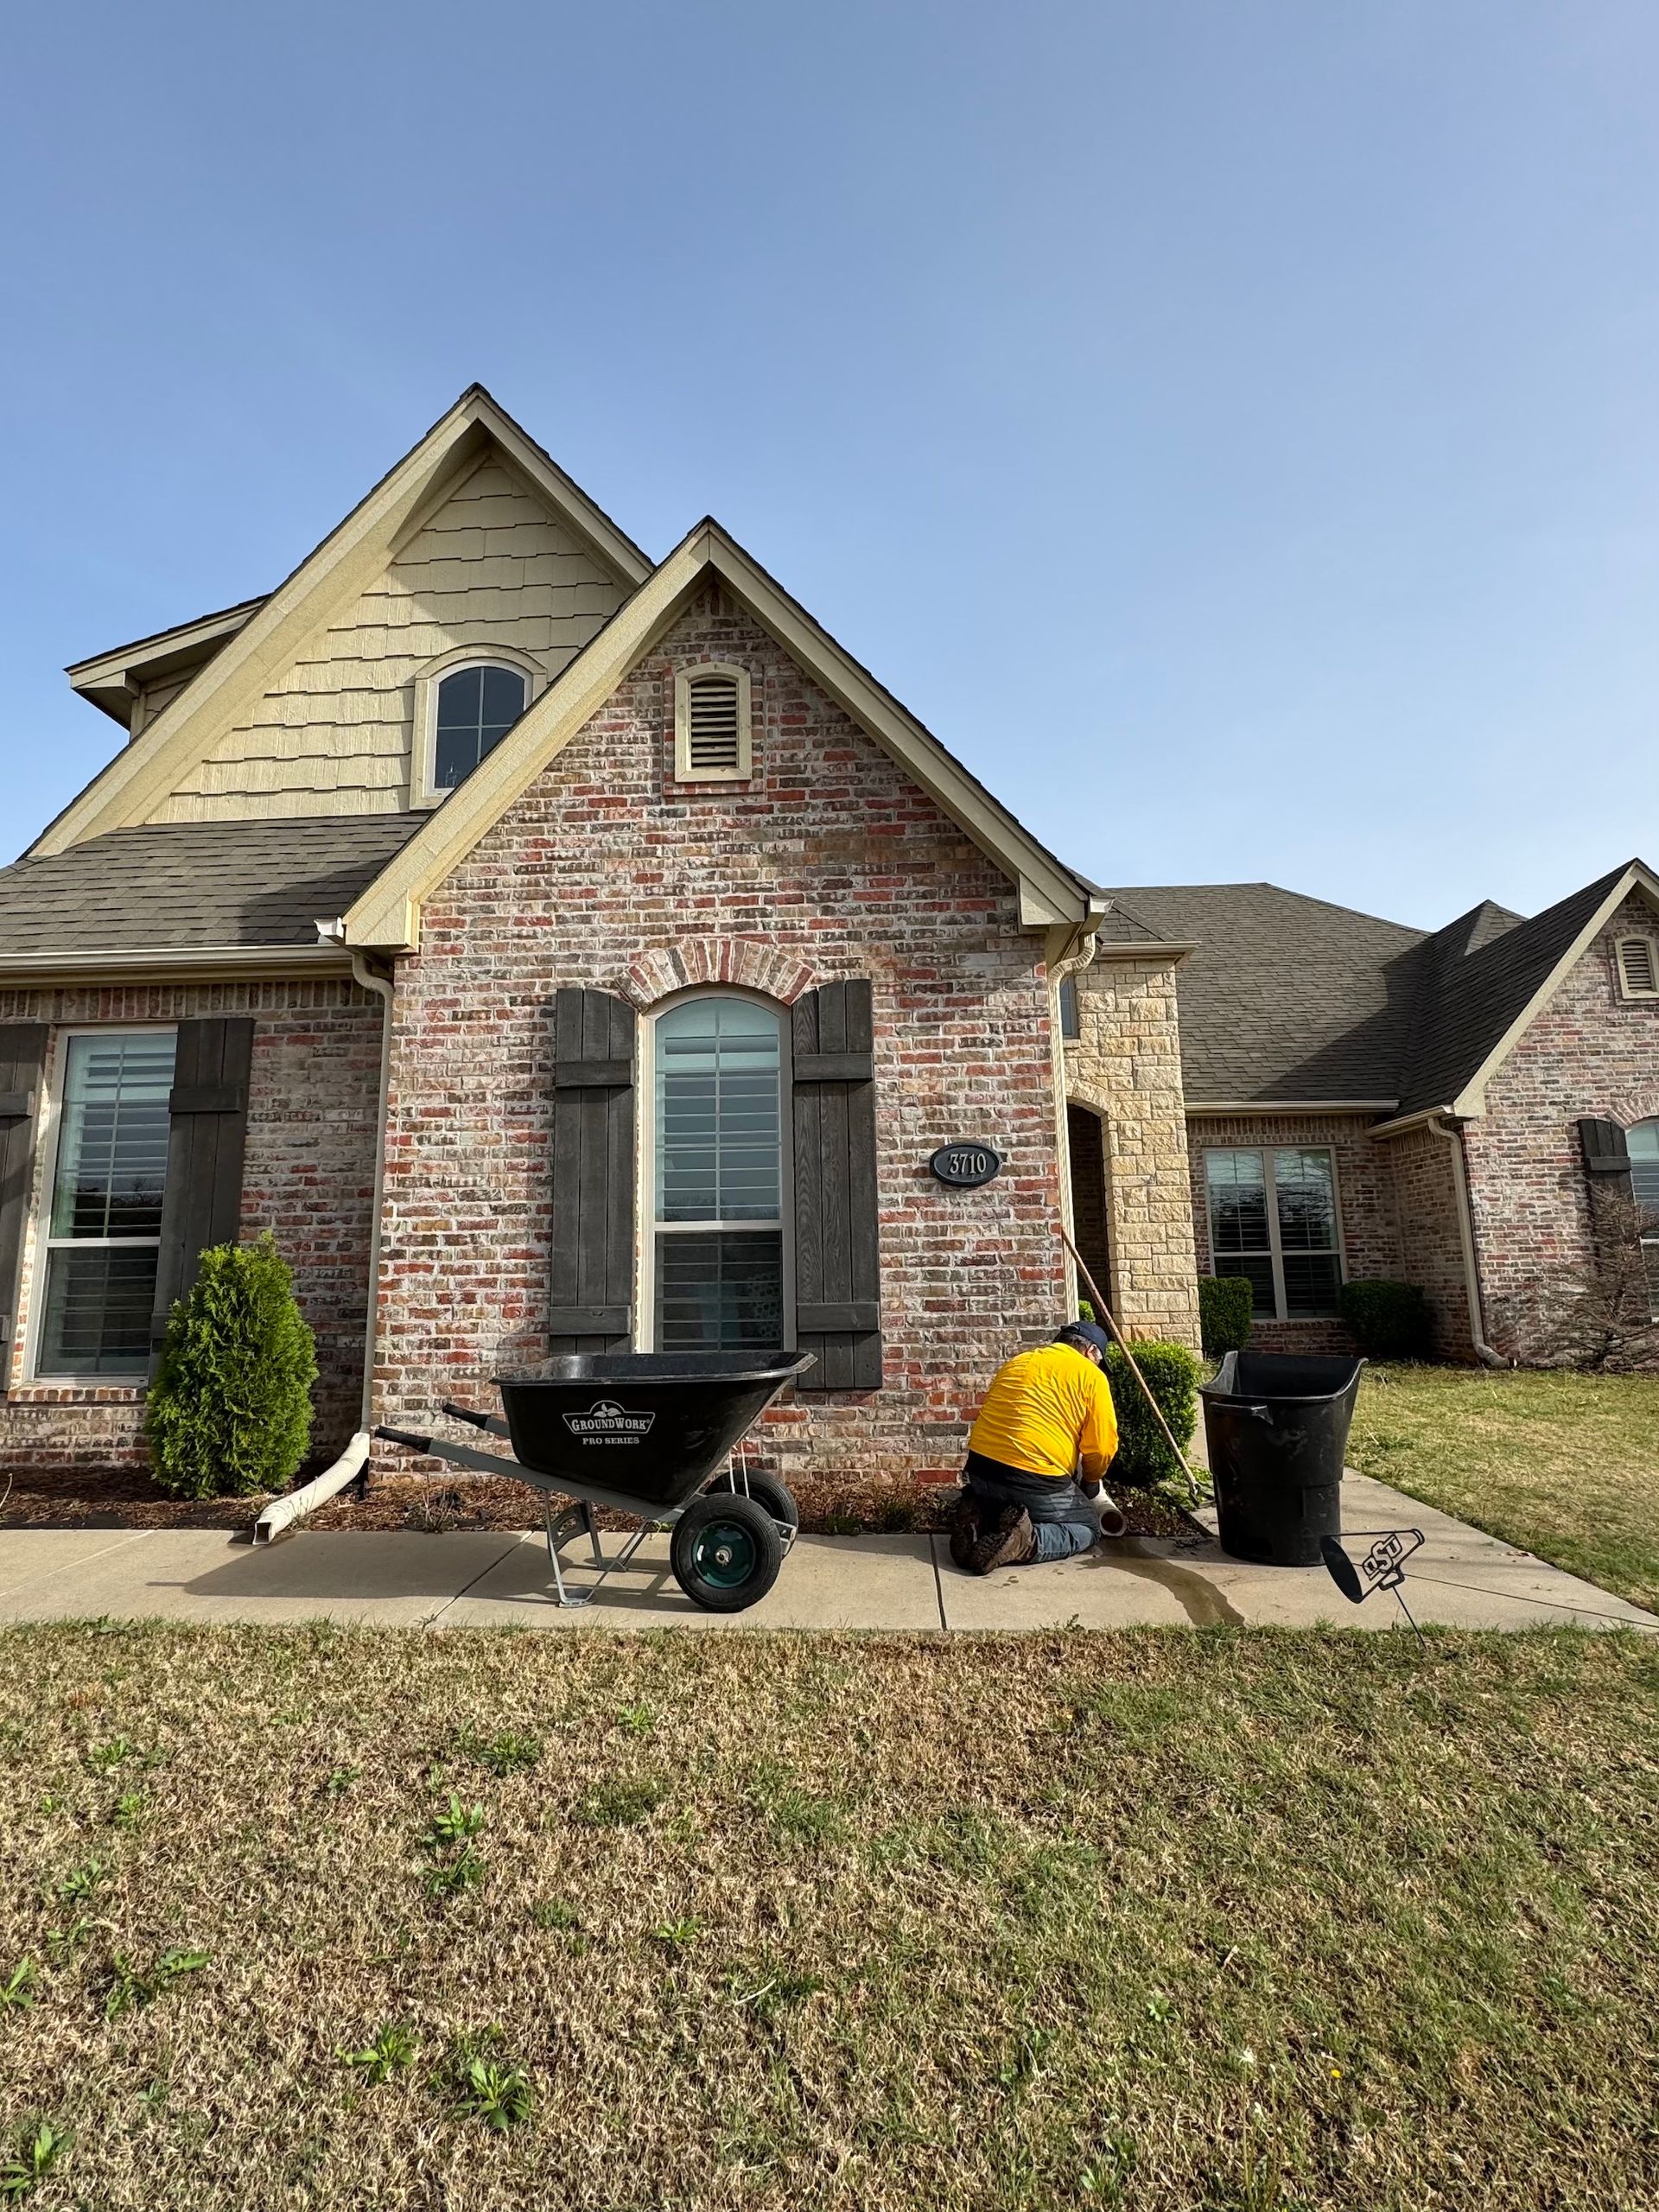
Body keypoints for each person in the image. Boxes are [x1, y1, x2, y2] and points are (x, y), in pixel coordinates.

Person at [950, 1320, 1128, 1574]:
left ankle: (981, 1521)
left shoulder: (1019, 1362)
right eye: (1099, 1360)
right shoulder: (1092, 1377)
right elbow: (1101, 1447)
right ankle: (1026, 1543)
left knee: (1006, 1508)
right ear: (1090, 1352)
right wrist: (1091, 1479)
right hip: (1033, 1480)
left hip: (980, 1470)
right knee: (1088, 1526)